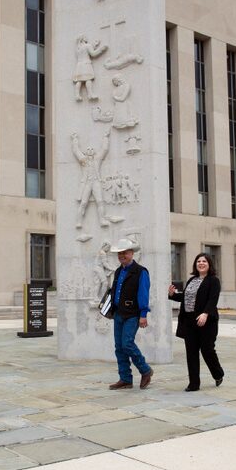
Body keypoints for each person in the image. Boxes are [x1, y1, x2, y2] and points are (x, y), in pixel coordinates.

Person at [168, 253, 224, 391]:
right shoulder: (192, 280)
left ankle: (218, 374)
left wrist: (205, 313)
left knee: (207, 350)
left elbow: (213, 299)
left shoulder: (213, 281)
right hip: (189, 322)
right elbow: (186, 298)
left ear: (209, 264)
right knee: (191, 352)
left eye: (204, 261)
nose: (201, 263)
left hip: (207, 322)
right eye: (198, 261)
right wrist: (173, 295)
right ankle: (194, 383)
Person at [107, 238, 153, 390]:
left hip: (133, 314)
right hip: (118, 313)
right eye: (119, 253)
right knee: (119, 347)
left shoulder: (141, 271)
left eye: (125, 253)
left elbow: (143, 294)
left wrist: (143, 314)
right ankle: (125, 379)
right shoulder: (118, 271)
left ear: (132, 253)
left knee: (127, 343)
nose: (122, 255)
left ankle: (145, 370)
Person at [72, 130, 110, 229]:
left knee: (100, 201)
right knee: (83, 203)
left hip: (96, 182)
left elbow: (104, 149)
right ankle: (79, 221)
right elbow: (76, 151)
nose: (90, 150)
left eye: (91, 149)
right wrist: (75, 139)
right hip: (87, 184)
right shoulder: (83, 160)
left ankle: (102, 220)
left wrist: (105, 137)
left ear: (94, 152)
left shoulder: (97, 159)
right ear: (86, 152)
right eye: (88, 149)